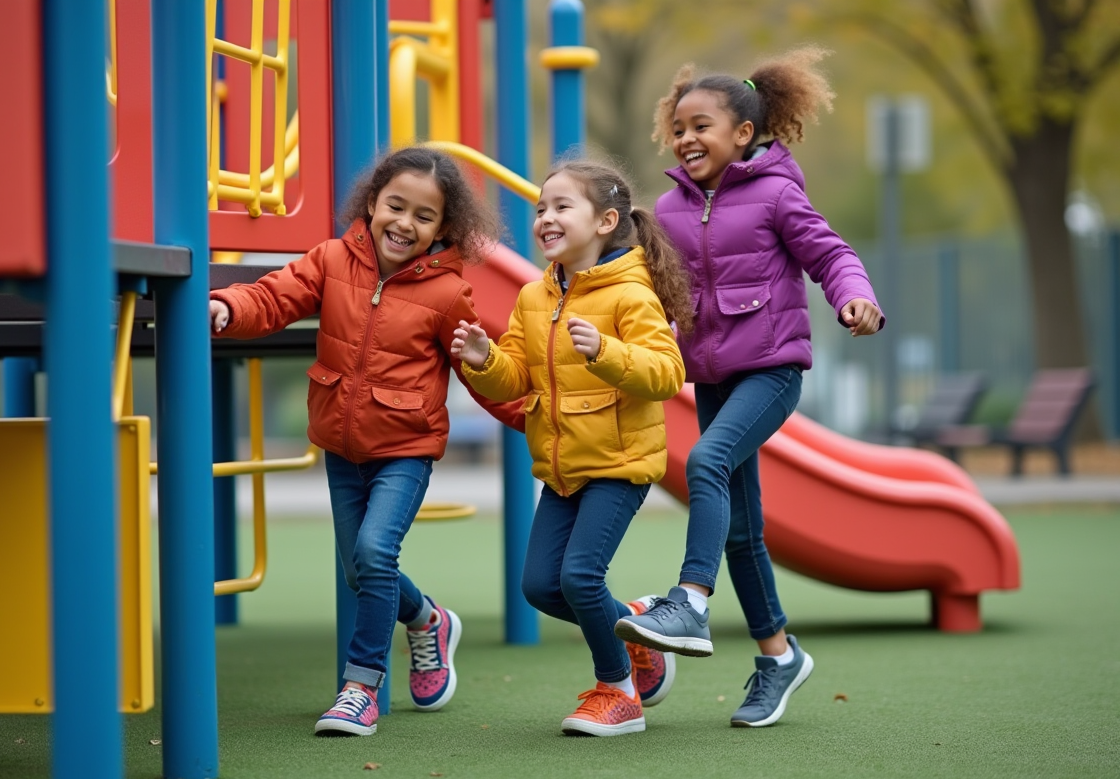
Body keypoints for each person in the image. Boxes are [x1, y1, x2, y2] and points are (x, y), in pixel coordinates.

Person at [209, 146, 524, 737]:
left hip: (405, 447)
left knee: (376, 553)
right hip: (340, 443)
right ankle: (428, 620)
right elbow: (274, 296)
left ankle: (360, 687)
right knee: (361, 570)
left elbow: (479, 370)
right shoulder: (330, 261)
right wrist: (229, 305)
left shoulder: (447, 294)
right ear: (372, 203)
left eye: (423, 216)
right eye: (395, 206)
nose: (405, 224)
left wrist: (534, 416)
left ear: (444, 228)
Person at [613, 48, 885, 728]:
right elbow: (633, 281)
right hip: (710, 374)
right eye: (678, 128)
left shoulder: (776, 193)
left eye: (701, 125)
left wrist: (856, 298)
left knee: (706, 460)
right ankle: (778, 655)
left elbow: (830, 254)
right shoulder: (669, 210)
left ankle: (691, 601)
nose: (686, 138)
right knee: (742, 529)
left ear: (744, 133)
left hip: (770, 368)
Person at [452, 160, 692, 736]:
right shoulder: (535, 296)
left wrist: (605, 351)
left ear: (606, 221)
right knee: (540, 586)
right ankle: (635, 627)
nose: (546, 218)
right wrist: (487, 363)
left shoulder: (632, 293)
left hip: (619, 462)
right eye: (540, 208)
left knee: (581, 578)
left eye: (562, 207)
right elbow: (518, 380)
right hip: (562, 466)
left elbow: (667, 372)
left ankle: (618, 693)